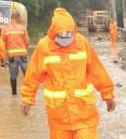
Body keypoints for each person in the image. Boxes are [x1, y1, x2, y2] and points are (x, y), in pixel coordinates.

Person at [21, 7, 115, 139]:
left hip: (84, 113)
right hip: (59, 116)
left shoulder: (82, 43)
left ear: (73, 30)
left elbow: (96, 70)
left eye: (68, 34)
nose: (65, 37)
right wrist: (27, 99)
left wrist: (108, 94)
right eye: (61, 34)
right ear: (53, 32)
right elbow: (33, 75)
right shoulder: (44, 47)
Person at [1, 11, 30, 96]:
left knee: (13, 76)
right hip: (23, 56)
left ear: (11, 18)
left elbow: (2, 44)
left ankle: (14, 94)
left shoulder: (5, 29)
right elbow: (27, 42)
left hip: (11, 57)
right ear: (18, 18)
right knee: (27, 75)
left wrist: (4, 56)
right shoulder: (22, 28)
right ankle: (28, 94)